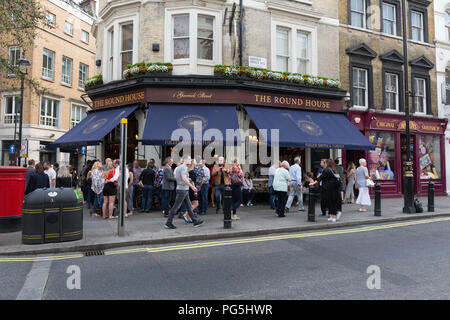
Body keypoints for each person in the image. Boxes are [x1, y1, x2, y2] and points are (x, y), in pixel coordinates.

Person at [165, 155, 204, 229]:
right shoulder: (183, 167)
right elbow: (183, 178)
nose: (190, 160)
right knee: (175, 207)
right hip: (182, 190)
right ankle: (168, 223)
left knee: (189, 207)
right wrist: (192, 186)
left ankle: (195, 222)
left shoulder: (179, 167)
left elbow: (179, 177)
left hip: (183, 189)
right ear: (185, 160)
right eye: (189, 159)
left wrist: (187, 178)